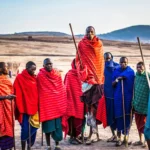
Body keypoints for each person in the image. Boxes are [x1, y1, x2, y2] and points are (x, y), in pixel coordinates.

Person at [76, 26, 105, 144]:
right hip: (87, 82)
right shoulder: (81, 44)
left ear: (95, 33)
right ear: (85, 33)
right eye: (88, 32)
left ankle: (94, 134)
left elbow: (100, 62)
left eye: (92, 32)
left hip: (98, 81)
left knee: (95, 109)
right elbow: (78, 60)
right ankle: (92, 134)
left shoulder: (99, 44)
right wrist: (83, 69)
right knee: (89, 110)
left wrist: (97, 77)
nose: (90, 34)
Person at [37, 58, 67, 150]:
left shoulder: (57, 74)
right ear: (43, 66)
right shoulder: (40, 76)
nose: (49, 65)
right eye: (47, 64)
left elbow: (61, 88)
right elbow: (39, 90)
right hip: (47, 106)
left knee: (57, 126)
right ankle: (48, 146)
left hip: (57, 105)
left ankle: (57, 145)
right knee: (48, 127)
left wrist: (60, 100)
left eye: (50, 64)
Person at [14, 61, 39, 150]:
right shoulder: (20, 78)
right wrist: (20, 105)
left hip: (34, 108)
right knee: (25, 129)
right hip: (24, 108)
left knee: (34, 127)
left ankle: (29, 147)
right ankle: (23, 148)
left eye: (35, 70)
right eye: (32, 69)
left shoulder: (35, 78)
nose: (34, 71)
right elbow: (17, 91)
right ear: (27, 68)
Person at [112, 57, 134, 146]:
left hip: (128, 98)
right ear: (119, 63)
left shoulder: (130, 72)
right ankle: (119, 138)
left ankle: (126, 138)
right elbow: (112, 84)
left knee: (127, 117)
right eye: (121, 62)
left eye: (124, 62)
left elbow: (133, 84)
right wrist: (118, 79)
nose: (123, 64)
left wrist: (125, 78)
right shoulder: (116, 71)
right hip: (118, 97)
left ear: (127, 63)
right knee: (119, 117)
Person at [62, 59, 84, 145]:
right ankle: (72, 137)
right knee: (72, 119)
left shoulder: (83, 74)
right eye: (76, 63)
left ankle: (77, 136)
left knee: (79, 120)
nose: (78, 65)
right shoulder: (69, 74)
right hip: (71, 100)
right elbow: (66, 88)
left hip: (81, 101)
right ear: (73, 64)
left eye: (79, 63)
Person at [132, 62, 150, 147]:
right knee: (138, 124)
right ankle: (140, 140)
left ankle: (146, 141)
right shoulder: (136, 76)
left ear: (144, 67)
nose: (139, 69)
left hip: (145, 105)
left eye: (141, 67)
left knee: (145, 125)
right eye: (137, 67)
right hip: (137, 104)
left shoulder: (147, 76)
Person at [104, 52, 119, 142]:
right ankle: (113, 135)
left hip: (116, 96)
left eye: (109, 58)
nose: (107, 61)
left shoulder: (117, 67)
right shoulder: (101, 67)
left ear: (112, 58)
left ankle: (118, 136)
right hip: (107, 96)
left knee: (117, 115)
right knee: (109, 116)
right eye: (106, 59)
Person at [0, 62, 16, 150]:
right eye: (5, 67)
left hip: (8, 109)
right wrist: (5, 97)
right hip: (0, 109)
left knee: (8, 128)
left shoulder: (6, 80)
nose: (7, 68)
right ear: (0, 69)